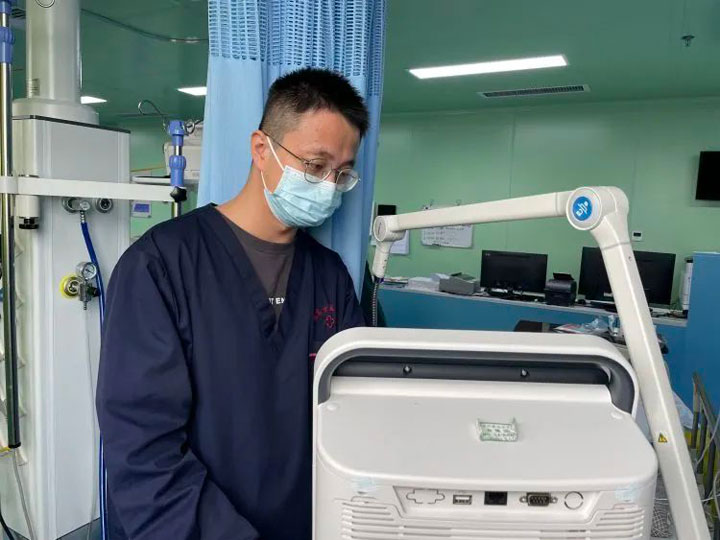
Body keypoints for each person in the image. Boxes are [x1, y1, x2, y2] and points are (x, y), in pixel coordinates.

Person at [97, 68, 368, 540]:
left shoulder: (329, 277)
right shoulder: (160, 266)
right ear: (261, 149)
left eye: (341, 174)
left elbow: (355, 415)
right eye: (315, 165)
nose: (328, 185)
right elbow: (143, 449)